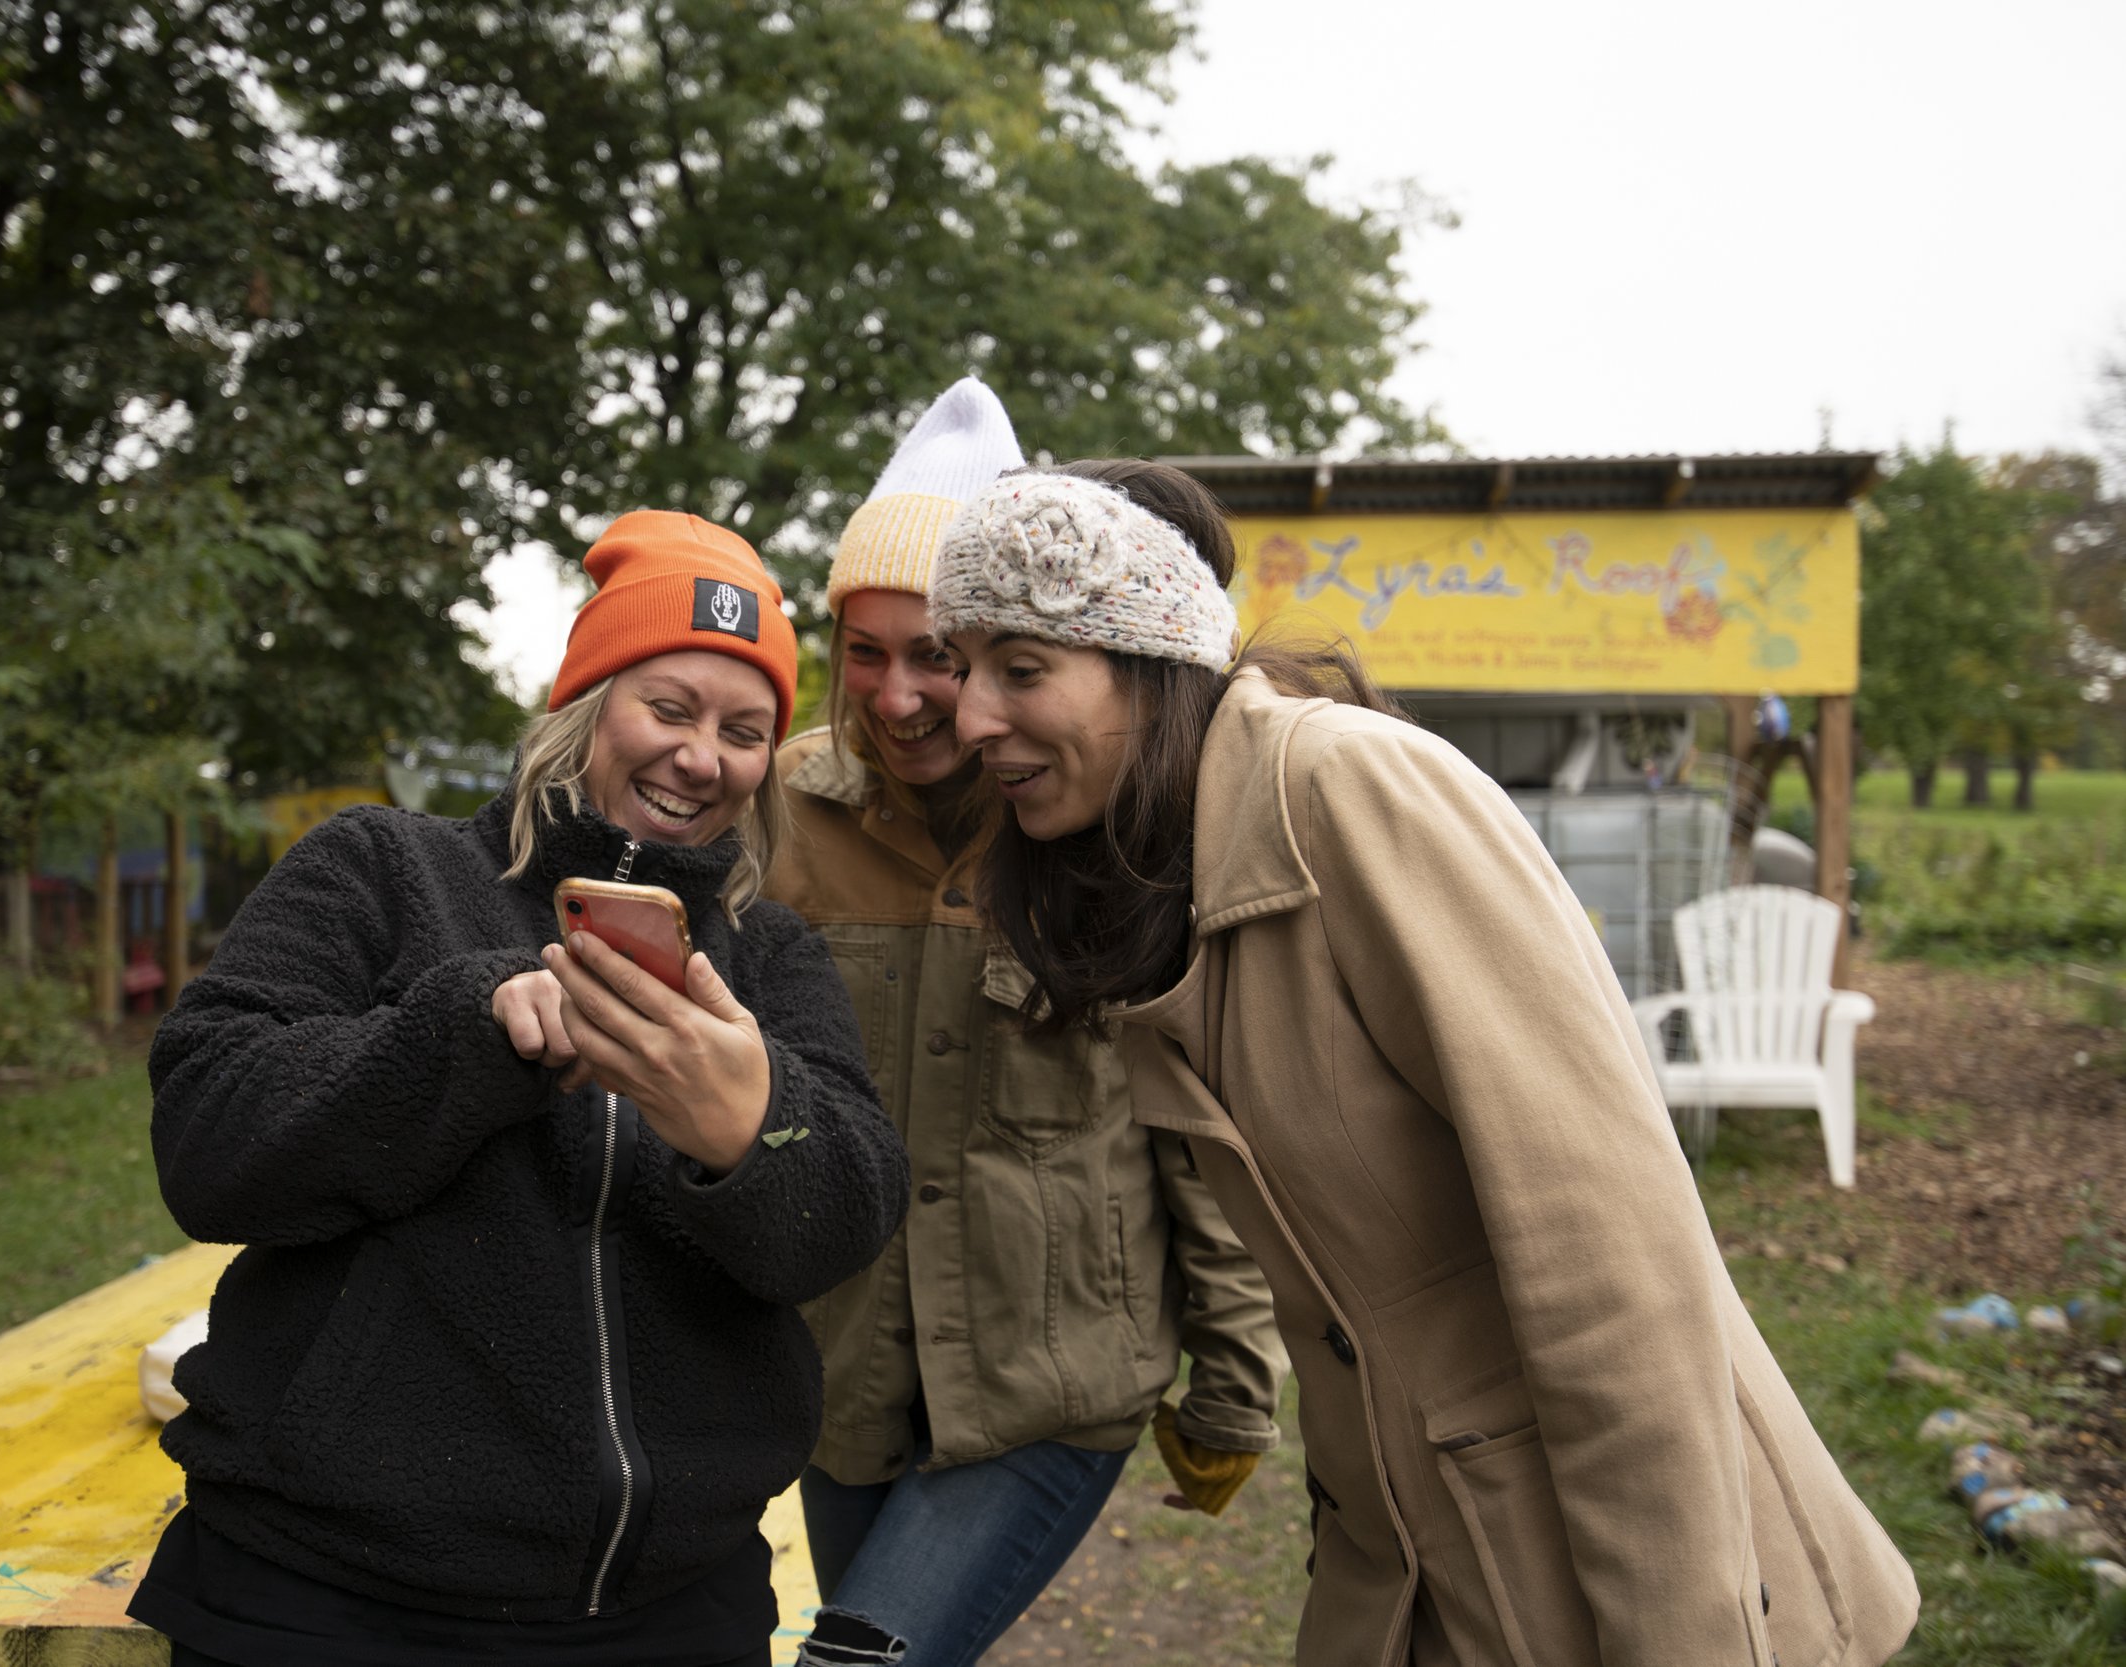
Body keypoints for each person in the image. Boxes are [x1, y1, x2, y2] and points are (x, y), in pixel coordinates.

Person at [926, 460, 1921, 1667]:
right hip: (1405, 1568)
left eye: (1021, 669)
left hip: (1599, 1574)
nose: (969, 715)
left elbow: (1611, 1246)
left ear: (1154, 662)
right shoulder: (1157, 871)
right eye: (964, 664)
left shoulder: (1349, 787)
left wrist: (1685, 1633)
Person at [132, 510, 910, 1667]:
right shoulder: (381, 869)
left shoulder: (769, 957)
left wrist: (749, 1130)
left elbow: (847, 1209)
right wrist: (465, 1030)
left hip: (670, 1606)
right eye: (670, 707)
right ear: (587, 704)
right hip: (325, 1599)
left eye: (746, 730)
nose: (704, 757)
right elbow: (209, 1137)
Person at [767, 385, 1287, 1667]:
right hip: (842, 1379)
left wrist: (1232, 1369)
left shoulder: (1100, 828)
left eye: (939, 653)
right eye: (862, 649)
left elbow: (1191, 1124)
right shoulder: (773, 818)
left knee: (859, 1660)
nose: (897, 697)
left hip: (1049, 1381)